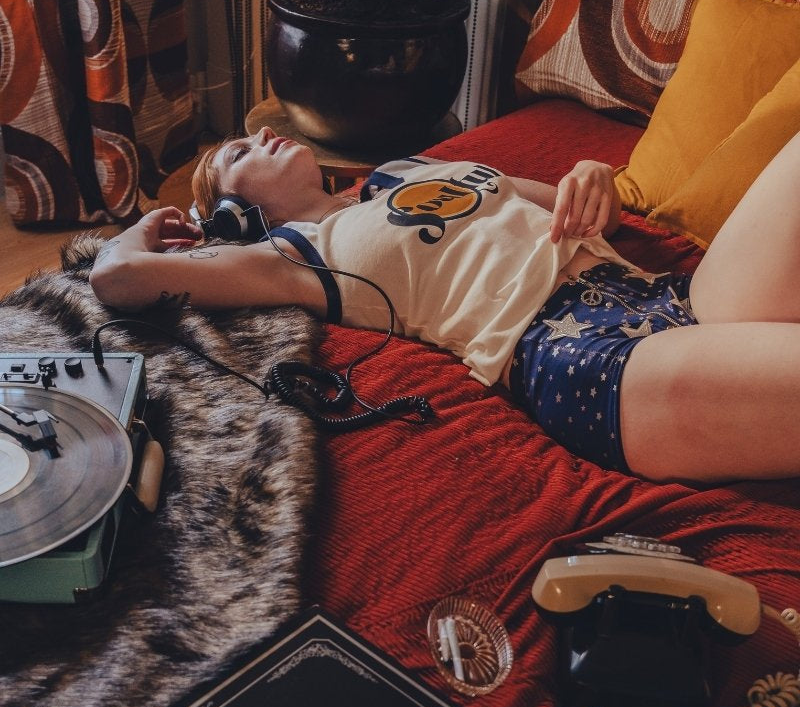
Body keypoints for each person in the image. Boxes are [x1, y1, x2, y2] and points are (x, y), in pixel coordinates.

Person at [88, 125, 800, 484]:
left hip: (658, 293)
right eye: (239, 153)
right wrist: (138, 232)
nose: (261, 134)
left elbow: (586, 212)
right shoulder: (294, 256)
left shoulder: (408, 171)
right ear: (238, 216)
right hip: (586, 356)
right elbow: (117, 281)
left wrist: (594, 176)